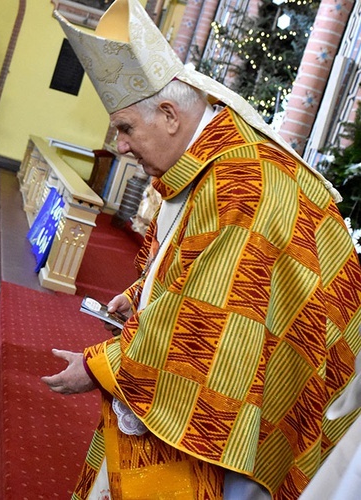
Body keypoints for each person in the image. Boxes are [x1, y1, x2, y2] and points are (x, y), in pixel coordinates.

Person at [42, 1, 361, 498]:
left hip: (248, 410)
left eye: (125, 128)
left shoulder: (241, 182)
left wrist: (98, 366)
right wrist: (143, 291)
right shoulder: (213, 156)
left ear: (169, 114)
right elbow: (201, 263)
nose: (120, 146)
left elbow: (207, 332)